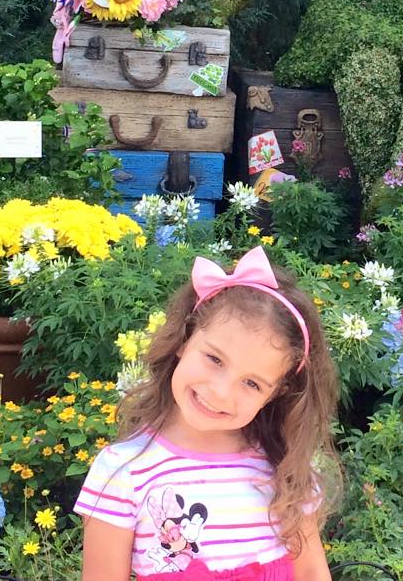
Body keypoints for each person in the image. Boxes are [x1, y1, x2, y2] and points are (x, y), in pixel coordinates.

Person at [75, 246, 339, 581]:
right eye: (215, 359)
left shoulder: (285, 470)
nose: (221, 392)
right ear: (184, 340)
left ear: (276, 393)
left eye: (252, 383)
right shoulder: (123, 471)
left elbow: (312, 571)